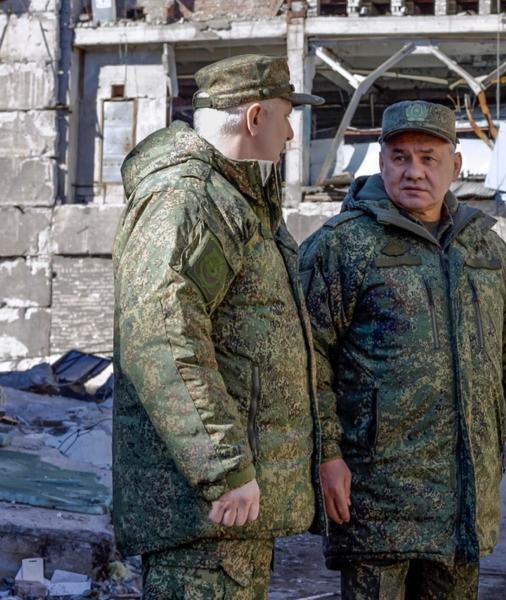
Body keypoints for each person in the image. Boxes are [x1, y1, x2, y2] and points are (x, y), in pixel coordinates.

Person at [299, 100, 506, 598]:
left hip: (463, 499)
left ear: (456, 166)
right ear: (381, 162)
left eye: (428, 157)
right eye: (400, 157)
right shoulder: (343, 246)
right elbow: (307, 362)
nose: (413, 171)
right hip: (377, 494)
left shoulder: (483, 249)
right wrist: (327, 455)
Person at [112, 54, 325, 598]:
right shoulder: (191, 199)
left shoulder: (237, 201)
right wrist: (223, 466)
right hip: (205, 519)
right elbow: (160, 335)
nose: (293, 132)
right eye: (284, 116)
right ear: (254, 118)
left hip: (229, 518)